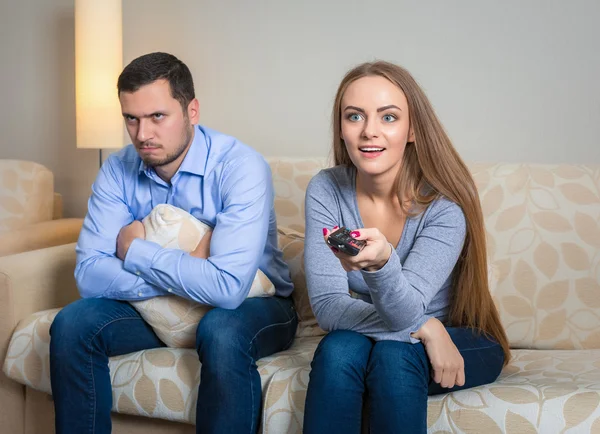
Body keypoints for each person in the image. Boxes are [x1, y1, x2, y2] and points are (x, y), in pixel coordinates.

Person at [49, 52, 297, 434]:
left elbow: (229, 289)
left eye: (157, 117)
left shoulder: (240, 167)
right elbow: (89, 275)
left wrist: (135, 251)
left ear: (191, 111)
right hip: (157, 308)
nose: (142, 134)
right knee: (72, 324)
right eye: (131, 118)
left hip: (259, 305)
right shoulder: (117, 169)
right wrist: (191, 267)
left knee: (222, 330)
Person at [302, 61, 510, 434]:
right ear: (341, 128)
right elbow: (330, 307)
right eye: (354, 116)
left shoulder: (445, 210)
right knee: (337, 350)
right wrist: (423, 326)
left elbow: (405, 311)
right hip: (399, 331)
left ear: (412, 129)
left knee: (393, 356)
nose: (369, 132)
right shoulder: (326, 189)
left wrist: (384, 267)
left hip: (461, 334)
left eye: (388, 117)